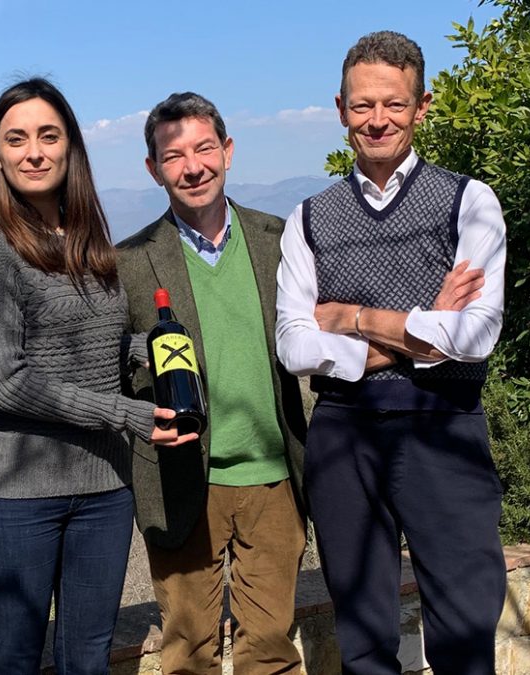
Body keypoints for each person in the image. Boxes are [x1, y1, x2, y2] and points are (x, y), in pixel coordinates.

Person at [275, 30, 507, 674]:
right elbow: (295, 345)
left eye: (394, 104)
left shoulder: (469, 202)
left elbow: (476, 334)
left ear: (422, 106)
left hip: (444, 428)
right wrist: (422, 328)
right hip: (344, 436)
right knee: (365, 638)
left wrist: (351, 319)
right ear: (341, 107)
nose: (377, 120)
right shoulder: (310, 217)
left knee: (465, 627)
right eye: (362, 105)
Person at [0, 78, 195, 675]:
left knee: (87, 659)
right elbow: (7, 382)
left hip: (106, 493)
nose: (34, 152)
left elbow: (89, 348)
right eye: (16, 139)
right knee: (13, 660)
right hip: (19, 497)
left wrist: (149, 350)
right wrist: (127, 415)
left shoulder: (89, 241)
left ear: (70, 148)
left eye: (47, 136)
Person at [116, 92, 309, 674]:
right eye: (174, 156)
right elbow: (113, 365)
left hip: (274, 479)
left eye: (204, 148)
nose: (193, 166)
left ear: (227, 151)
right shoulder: (127, 261)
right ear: (153, 169)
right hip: (181, 482)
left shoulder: (279, 240)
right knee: (187, 654)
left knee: (271, 651)